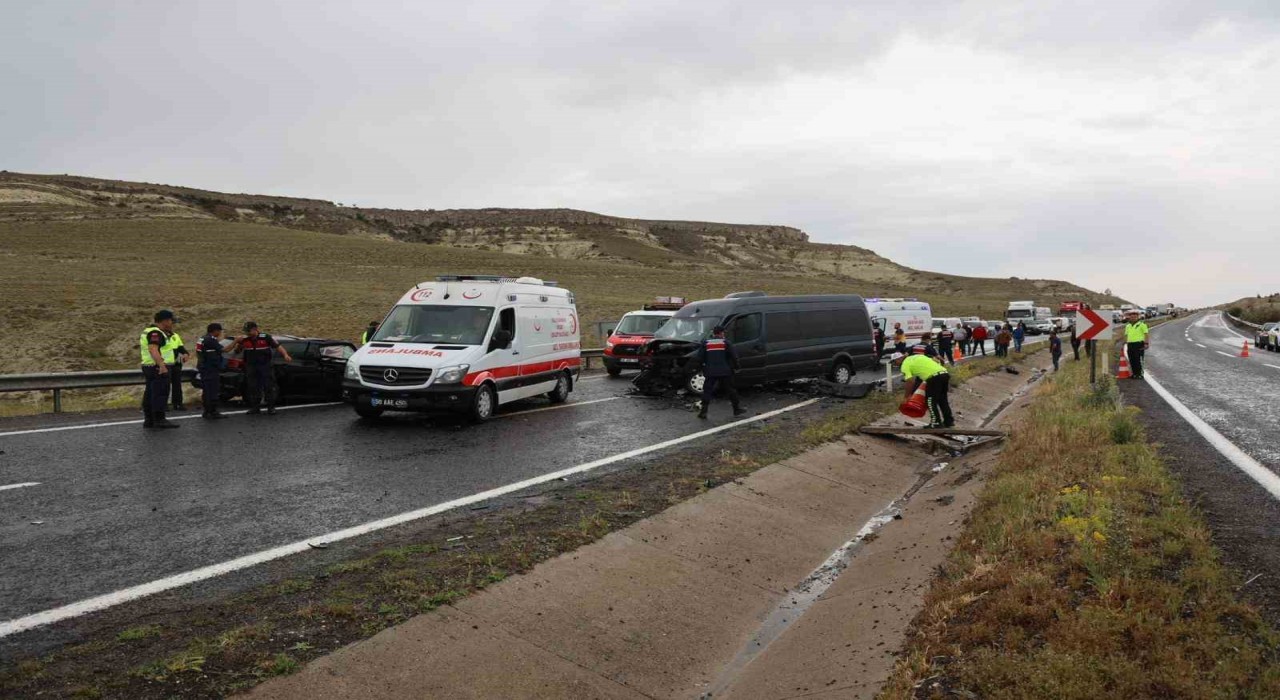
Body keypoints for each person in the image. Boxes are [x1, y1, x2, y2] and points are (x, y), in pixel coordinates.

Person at [231, 321, 293, 414]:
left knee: (268, 386)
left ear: (255, 329)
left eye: (248, 331)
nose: (247, 333)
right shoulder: (245, 340)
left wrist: (285, 355)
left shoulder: (265, 337)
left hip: (265, 366)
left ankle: (271, 407)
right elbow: (237, 351)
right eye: (246, 331)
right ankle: (255, 407)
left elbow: (278, 346)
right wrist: (238, 345)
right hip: (251, 366)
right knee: (253, 387)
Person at [139, 310, 180, 429]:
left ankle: (149, 420)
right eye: (171, 321)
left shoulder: (149, 331)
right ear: (165, 321)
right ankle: (159, 419)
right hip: (158, 367)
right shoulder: (156, 333)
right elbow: (153, 349)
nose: (172, 323)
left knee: (150, 393)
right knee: (160, 393)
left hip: (149, 366)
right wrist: (162, 365)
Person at [696, 325, 745, 420]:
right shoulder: (726, 343)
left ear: (714, 333)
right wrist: (737, 367)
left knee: (707, 391)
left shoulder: (706, 343)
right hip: (725, 371)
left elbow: (699, 358)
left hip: (710, 372)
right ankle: (736, 409)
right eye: (723, 332)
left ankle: (703, 412)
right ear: (721, 333)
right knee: (731, 390)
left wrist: (702, 368)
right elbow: (734, 357)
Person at [901, 345, 953, 428]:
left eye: (894, 362)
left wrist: (907, 396)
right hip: (944, 373)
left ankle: (936, 423)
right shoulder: (918, 356)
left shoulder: (905, 364)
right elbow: (936, 360)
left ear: (899, 359)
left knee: (930, 400)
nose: (895, 364)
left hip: (934, 377)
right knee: (942, 400)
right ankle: (949, 421)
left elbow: (910, 381)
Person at [196, 323, 230, 419]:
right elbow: (225, 350)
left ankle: (207, 411)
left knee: (207, 390)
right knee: (212, 390)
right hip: (210, 368)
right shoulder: (210, 340)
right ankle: (212, 411)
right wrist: (235, 341)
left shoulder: (203, 338)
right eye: (219, 331)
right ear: (214, 331)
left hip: (204, 367)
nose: (220, 333)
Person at [164, 325, 190, 411]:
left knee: (177, 385)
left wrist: (186, 354)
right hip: (165, 364)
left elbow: (181, 348)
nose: (170, 326)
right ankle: (163, 405)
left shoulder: (175, 335)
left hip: (176, 363)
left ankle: (178, 404)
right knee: (165, 385)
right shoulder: (161, 336)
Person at [1124, 310, 1150, 379]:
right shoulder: (1128, 326)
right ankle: (1134, 374)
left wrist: (1146, 343)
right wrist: (1126, 343)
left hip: (1139, 344)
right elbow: (1126, 335)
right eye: (1131, 316)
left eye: (1135, 316)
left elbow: (1146, 334)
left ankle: (1140, 374)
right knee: (1132, 360)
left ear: (1138, 317)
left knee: (1139, 360)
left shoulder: (1142, 324)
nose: (1133, 318)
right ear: (1129, 317)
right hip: (1130, 344)